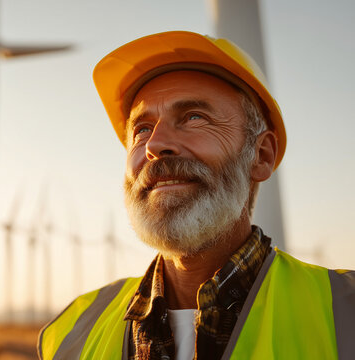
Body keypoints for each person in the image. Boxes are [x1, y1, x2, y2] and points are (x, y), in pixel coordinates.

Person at [37, 31, 355, 360]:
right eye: (141, 129)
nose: (155, 145)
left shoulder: (346, 313)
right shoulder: (73, 331)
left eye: (194, 117)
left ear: (260, 156)